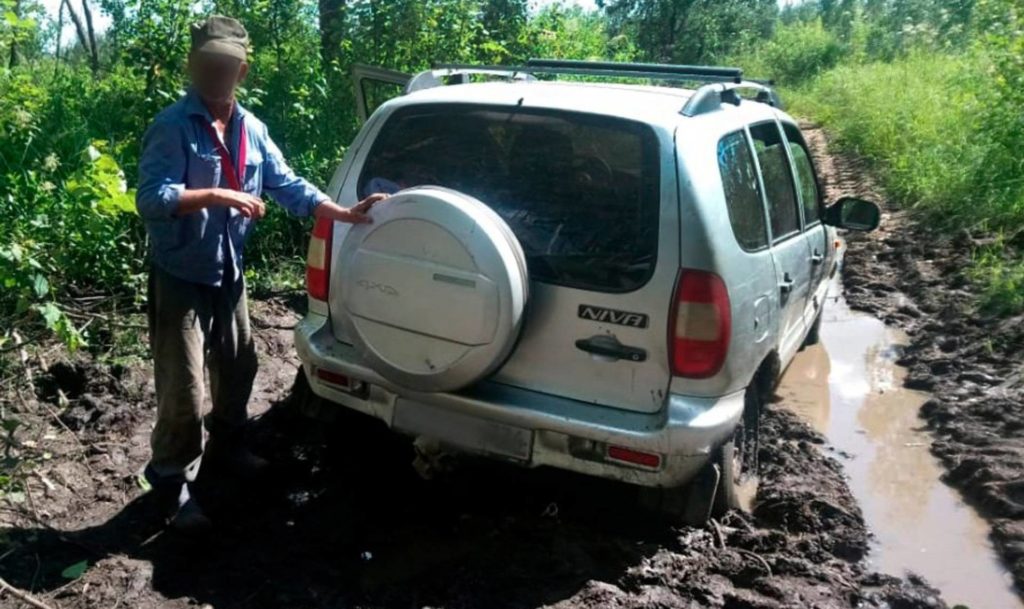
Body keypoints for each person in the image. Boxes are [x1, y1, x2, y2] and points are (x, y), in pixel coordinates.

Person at [135, 15, 388, 530]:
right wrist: (216, 194)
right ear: (193, 64)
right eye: (206, 64)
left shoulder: (252, 129)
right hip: (181, 275)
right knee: (183, 389)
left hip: (229, 274)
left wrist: (342, 212)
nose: (215, 73)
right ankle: (170, 481)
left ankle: (228, 451)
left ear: (241, 69)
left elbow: (287, 184)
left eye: (225, 65)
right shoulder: (172, 126)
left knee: (239, 369)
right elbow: (151, 199)